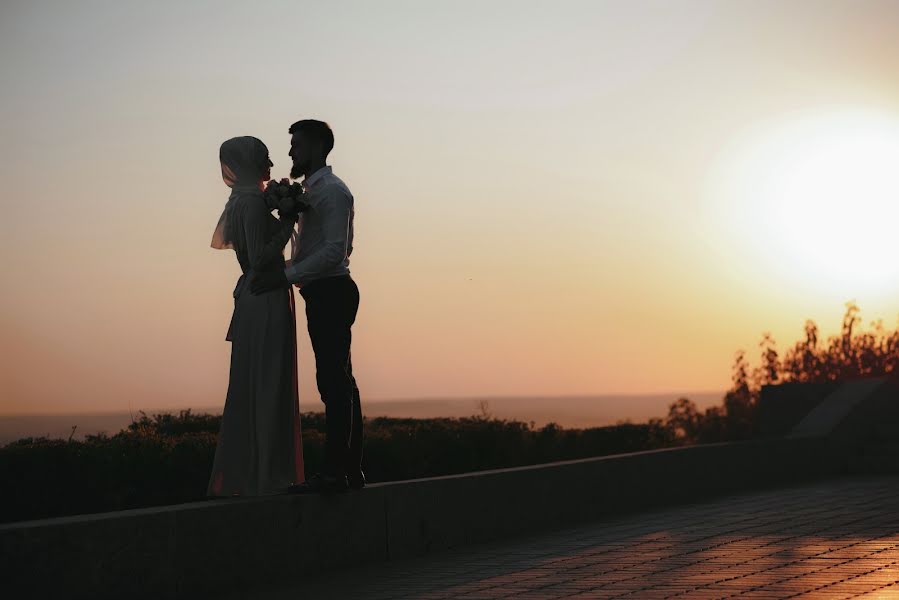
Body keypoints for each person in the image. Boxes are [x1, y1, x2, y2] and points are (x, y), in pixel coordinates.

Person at [250, 119, 363, 494]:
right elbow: (328, 247)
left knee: (334, 383)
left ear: (316, 146)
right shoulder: (314, 191)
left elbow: (335, 251)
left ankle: (336, 473)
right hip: (322, 290)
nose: (290, 152)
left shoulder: (331, 191)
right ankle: (348, 470)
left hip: (331, 291)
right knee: (340, 381)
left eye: (296, 145)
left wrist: (285, 276)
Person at [206, 136, 305, 497]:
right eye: (265, 157)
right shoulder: (248, 205)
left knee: (265, 379)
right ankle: (264, 474)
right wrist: (288, 220)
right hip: (264, 297)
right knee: (267, 381)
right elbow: (262, 259)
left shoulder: (245, 202)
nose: (272, 162)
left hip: (262, 295)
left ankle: (265, 470)